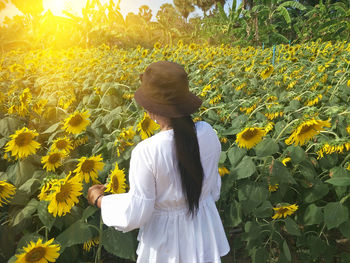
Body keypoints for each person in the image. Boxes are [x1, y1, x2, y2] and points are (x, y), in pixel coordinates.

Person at [87, 61, 230, 263]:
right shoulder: (207, 132)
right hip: (203, 228)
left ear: (151, 109)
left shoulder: (147, 151)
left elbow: (137, 213)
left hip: (166, 244)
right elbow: (213, 188)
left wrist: (100, 201)